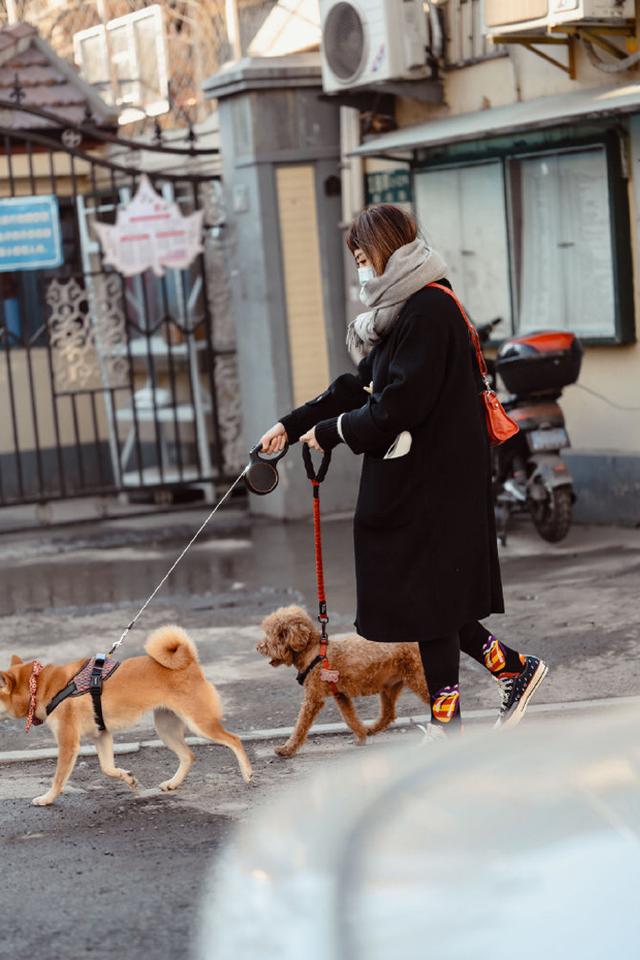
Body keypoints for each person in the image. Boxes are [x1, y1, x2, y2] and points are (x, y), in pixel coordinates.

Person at [259, 204, 547, 736]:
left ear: (388, 252)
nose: (362, 271)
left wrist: (331, 432)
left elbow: (397, 407)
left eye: (365, 258)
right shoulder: (404, 312)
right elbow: (360, 386)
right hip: (422, 484)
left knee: (430, 607)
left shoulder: (427, 312)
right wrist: (291, 422)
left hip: (433, 489)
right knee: (435, 603)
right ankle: (512, 672)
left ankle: (449, 729)